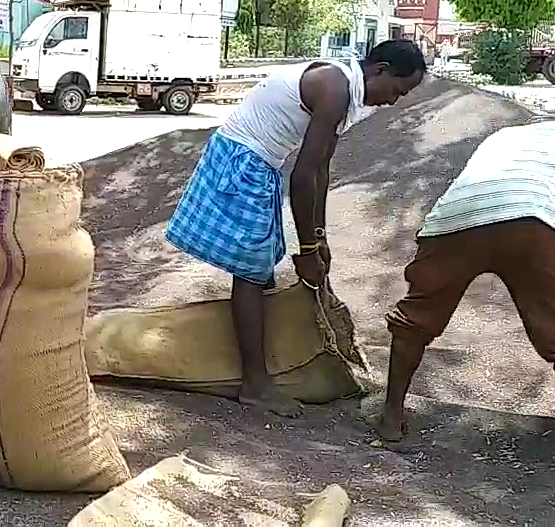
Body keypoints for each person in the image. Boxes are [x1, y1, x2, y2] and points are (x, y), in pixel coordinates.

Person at [377, 118, 555, 495]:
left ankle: (391, 418)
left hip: (456, 216)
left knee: (416, 319)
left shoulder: (503, 137)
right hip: (537, 218)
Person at [166, 39, 426, 417]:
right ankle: (255, 385)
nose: (393, 101)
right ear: (380, 69)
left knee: (259, 266)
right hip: (243, 159)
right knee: (251, 271)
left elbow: (321, 169)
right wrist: (305, 250)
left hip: (259, 161)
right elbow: (302, 176)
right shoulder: (334, 88)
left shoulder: (346, 91)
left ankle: (260, 361)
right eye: (396, 90)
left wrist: (319, 240)